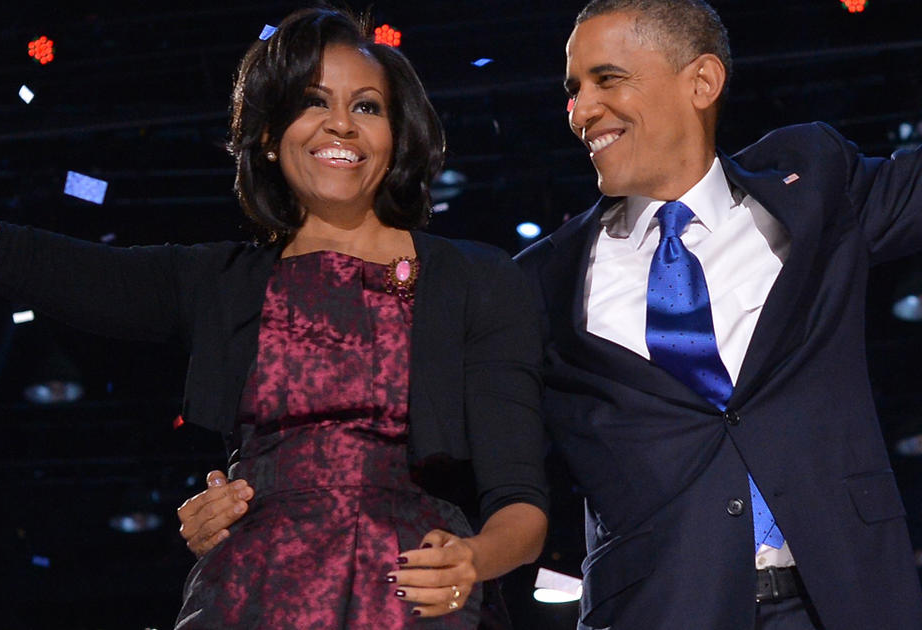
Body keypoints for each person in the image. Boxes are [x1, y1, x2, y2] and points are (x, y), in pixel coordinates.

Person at [0, 1, 551, 626]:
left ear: (396, 132)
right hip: (250, 596)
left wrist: (476, 556)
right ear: (267, 136)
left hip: (412, 599)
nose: (340, 123)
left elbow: (523, 503)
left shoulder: (477, 283)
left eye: (366, 105)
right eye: (310, 102)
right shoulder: (215, 282)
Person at [181, 0, 922, 628]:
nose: (580, 110)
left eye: (607, 80)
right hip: (661, 609)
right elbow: (446, 450)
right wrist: (257, 495)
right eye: (572, 89)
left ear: (701, 81)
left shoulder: (815, 186)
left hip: (850, 596)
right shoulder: (532, 284)